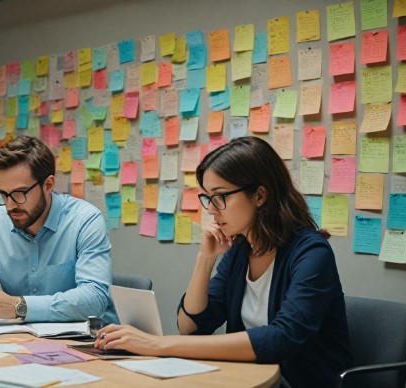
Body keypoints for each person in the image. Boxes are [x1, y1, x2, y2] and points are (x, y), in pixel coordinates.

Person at [95, 136, 352, 388]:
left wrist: (156, 344)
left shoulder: (312, 252)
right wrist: (205, 259)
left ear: (260, 195)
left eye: (220, 197)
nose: (211, 210)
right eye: (207, 198)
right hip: (248, 380)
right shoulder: (240, 250)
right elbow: (191, 326)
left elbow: (282, 338)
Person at [0, 135, 118, 324]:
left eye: (19, 193)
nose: (9, 205)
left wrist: (19, 306)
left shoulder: (85, 220)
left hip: (87, 339)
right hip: (25, 338)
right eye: (3, 194)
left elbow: (95, 299)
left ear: (48, 185)